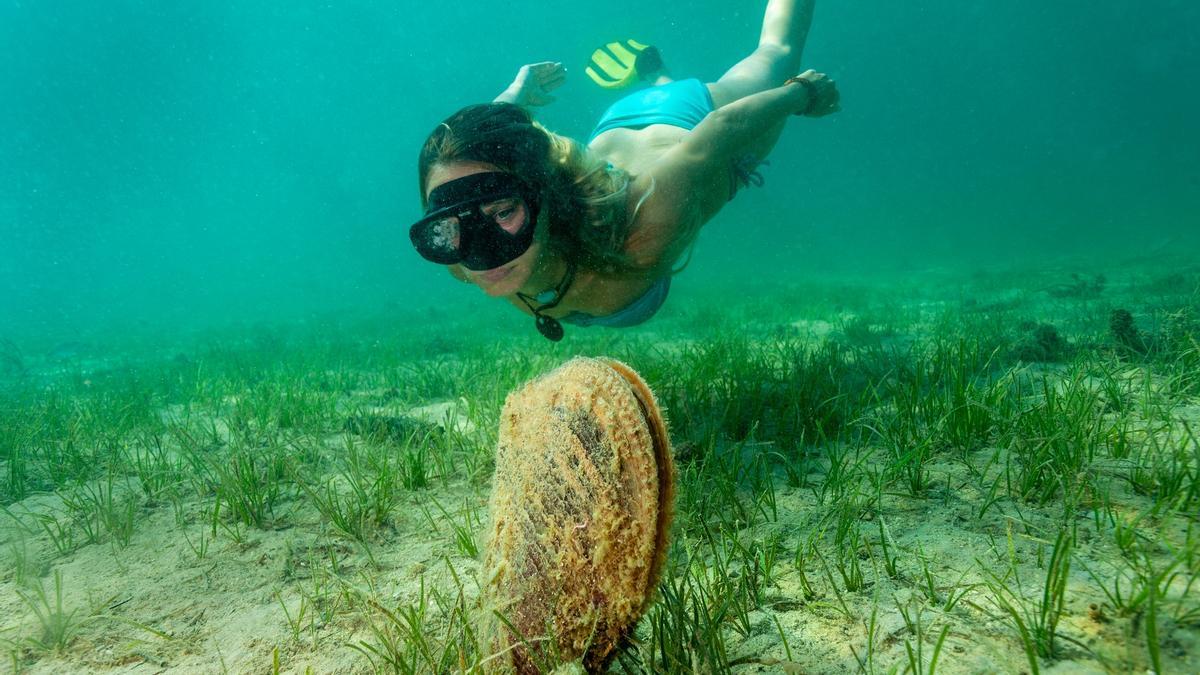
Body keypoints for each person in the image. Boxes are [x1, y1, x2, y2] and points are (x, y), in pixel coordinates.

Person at [410, 0, 840, 341]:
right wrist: (513, 98)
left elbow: (719, 131)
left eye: (504, 213)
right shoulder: (462, 253)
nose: (480, 256)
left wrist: (802, 94)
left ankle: (665, 84)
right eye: (446, 227)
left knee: (776, 51)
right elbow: (478, 164)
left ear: (545, 196)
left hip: (690, 117)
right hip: (616, 124)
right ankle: (657, 77)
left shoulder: (643, 223)